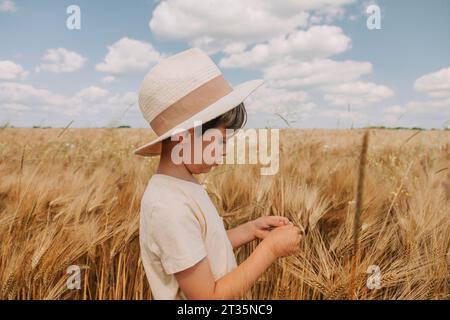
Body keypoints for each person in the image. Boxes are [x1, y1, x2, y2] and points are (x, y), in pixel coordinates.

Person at [134, 47, 303, 300]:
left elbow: (201, 248)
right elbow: (207, 298)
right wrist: (270, 250)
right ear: (183, 137)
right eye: (219, 141)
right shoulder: (168, 207)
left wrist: (250, 230)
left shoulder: (184, 186)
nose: (224, 152)